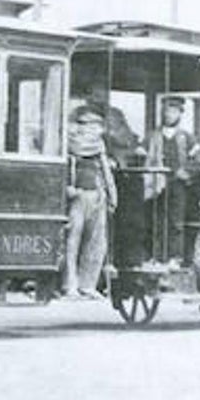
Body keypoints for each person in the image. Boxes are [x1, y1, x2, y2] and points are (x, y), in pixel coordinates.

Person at [62, 105, 118, 299]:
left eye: (97, 126)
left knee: (96, 242)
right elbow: (64, 170)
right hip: (78, 197)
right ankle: (70, 284)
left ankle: (88, 285)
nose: (96, 130)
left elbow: (105, 171)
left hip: (97, 196)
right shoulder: (69, 144)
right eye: (92, 125)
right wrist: (69, 190)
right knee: (72, 241)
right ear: (82, 126)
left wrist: (111, 194)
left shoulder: (99, 146)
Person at [142, 96, 200, 267]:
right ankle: (154, 256)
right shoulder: (153, 136)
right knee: (155, 219)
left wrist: (185, 172)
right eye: (167, 110)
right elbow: (140, 154)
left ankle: (174, 258)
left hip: (177, 185)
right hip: (155, 184)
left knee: (176, 221)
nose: (169, 114)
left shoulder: (187, 137)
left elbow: (198, 161)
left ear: (180, 114)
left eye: (174, 111)